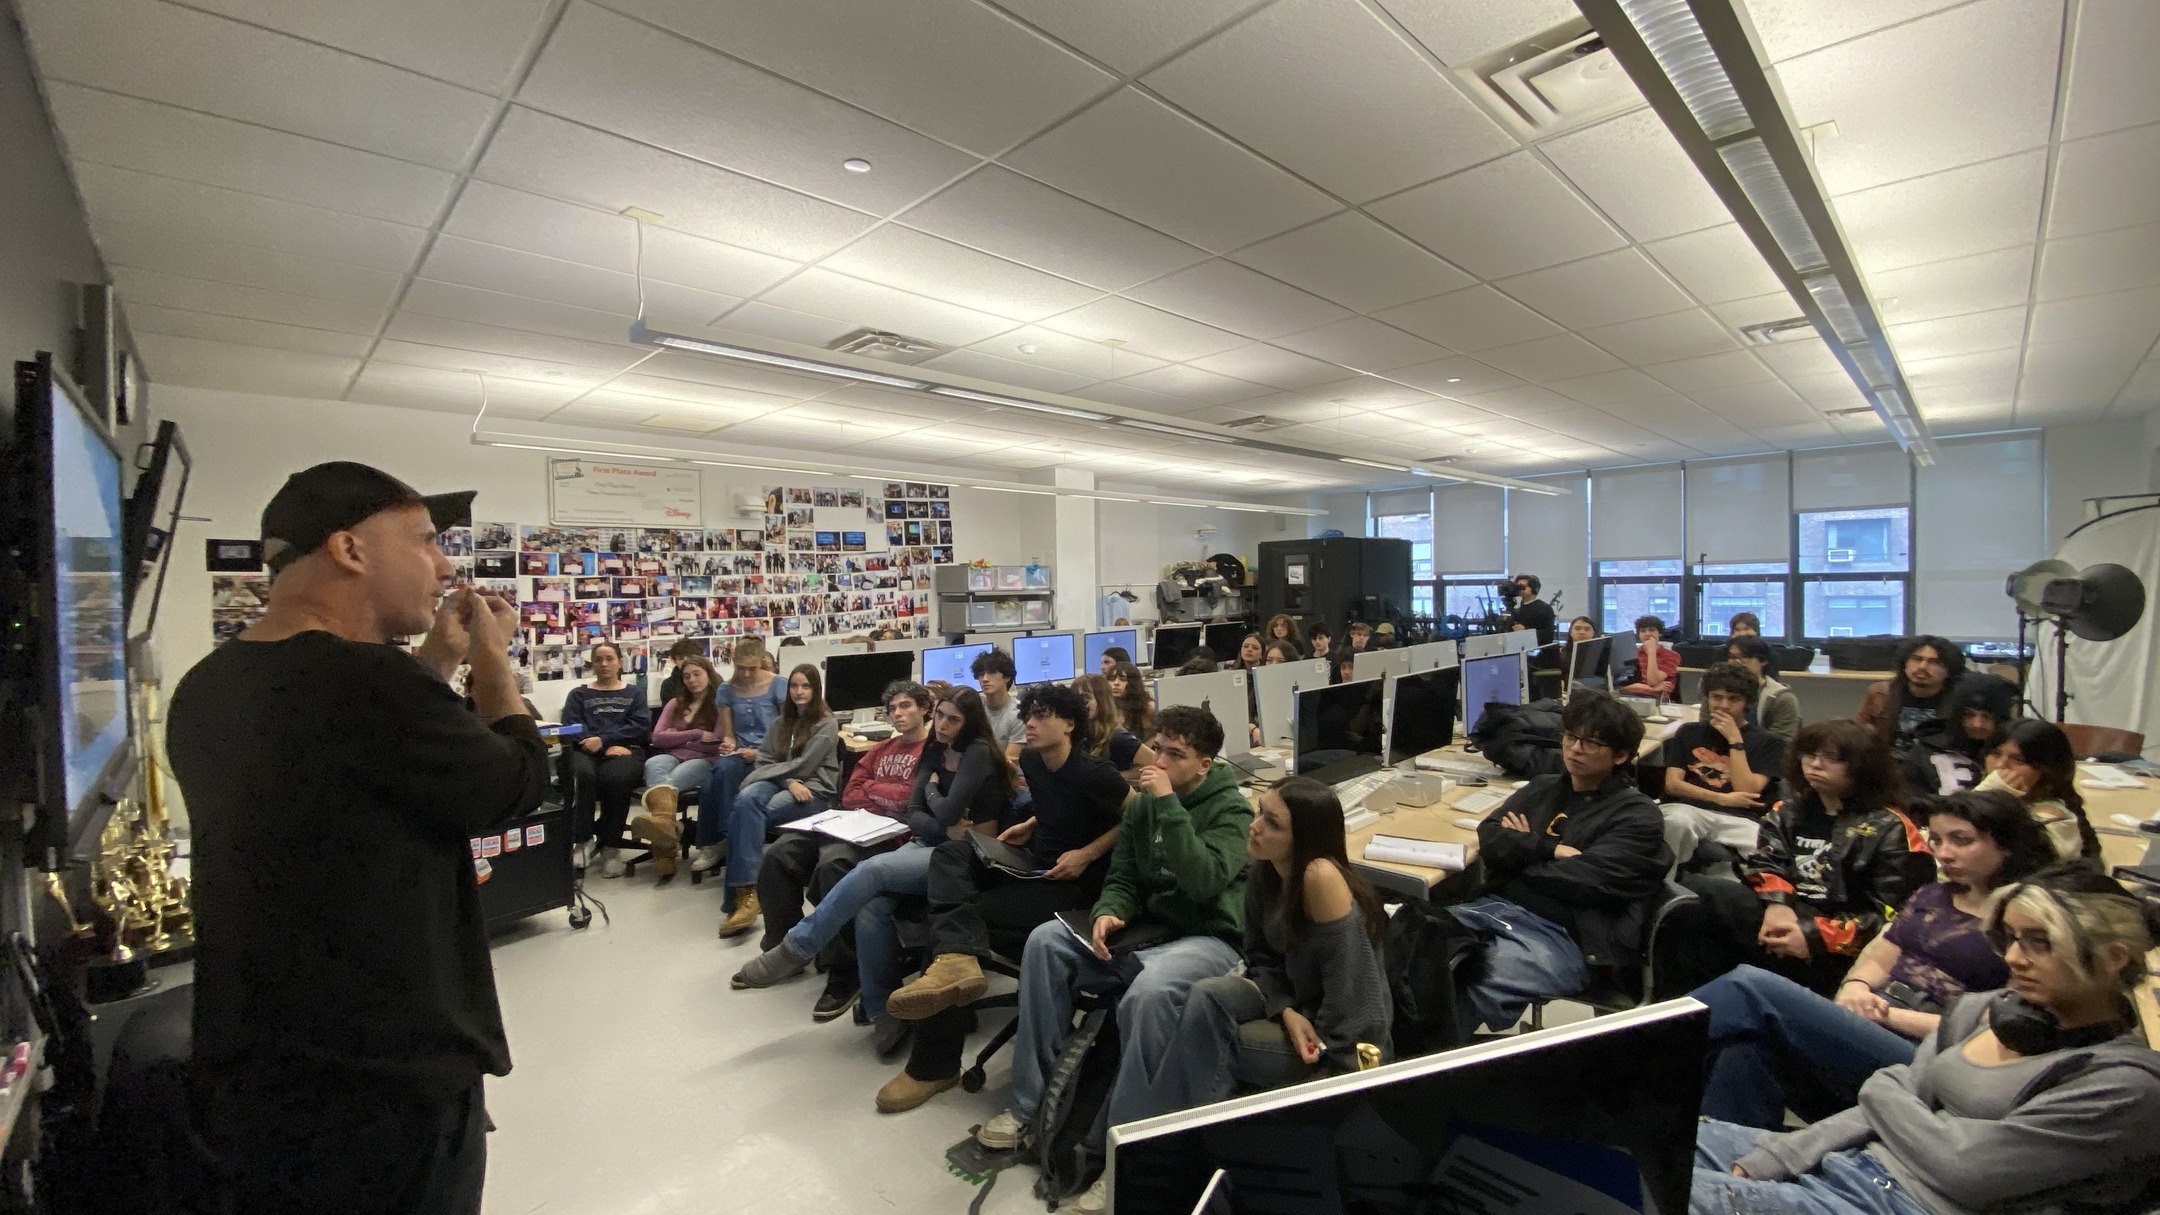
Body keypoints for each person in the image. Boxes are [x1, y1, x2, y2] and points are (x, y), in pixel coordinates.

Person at [167, 462, 550, 1214]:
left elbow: (365, 765)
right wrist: (492, 665)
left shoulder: (210, 683)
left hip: (266, 1075)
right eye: (425, 541)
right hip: (387, 1085)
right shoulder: (370, 682)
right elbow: (516, 782)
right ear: (349, 548)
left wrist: (437, 662)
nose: (444, 567)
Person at [1689, 873, 2160, 1215]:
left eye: (2040, 942)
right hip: (1849, 1158)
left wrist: (1886, 1092)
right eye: (2012, 939)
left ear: (2113, 958)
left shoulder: (2123, 1085)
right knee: (1646, 1131)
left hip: (1897, 1202)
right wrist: (1781, 1157)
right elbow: (1891, 1101)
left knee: (1644, 1186)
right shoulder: (1987, 1009)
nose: (2015, 958)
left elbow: (1964, 1169)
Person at [972, 706, 1254, 1215]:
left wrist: (1167, 805)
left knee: (1148, 993)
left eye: (1175, 755)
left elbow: (1204, 881)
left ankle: (1121, 1153)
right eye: (1157, 749)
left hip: (1209, 936)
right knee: (1045, 943)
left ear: (1205, 764)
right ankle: (1029, 1107)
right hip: (1150, 929)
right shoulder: (1145, 804)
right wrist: (1108, 911)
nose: (1159, 762)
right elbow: (1123, 875)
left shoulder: (1230, 811)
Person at [1690, 790, 2056, 1128]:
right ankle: (1717, 1160)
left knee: (1750, 987)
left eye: (1961, 840)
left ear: (2007, 845)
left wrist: (1884, 1014)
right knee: (1744, 1050)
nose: (1944, 853)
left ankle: (1658, 1046)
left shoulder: (2025, 921)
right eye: (1937, 840)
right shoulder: (1933, 894)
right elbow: (1880, 959)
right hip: (1872, 1022)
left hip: (1929, 1054)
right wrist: (1855, 986)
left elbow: (1999, 1026)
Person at [878, 683, 1134, 1114]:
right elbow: (1055, 803)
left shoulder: (1095, 772)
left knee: (958, 924)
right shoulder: (1032, 760)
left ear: (1069, 725)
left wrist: (1088, 853)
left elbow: (1139, 817)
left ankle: (933, 1065)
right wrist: (1032, 823)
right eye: (1028, 715)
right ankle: (956, 964)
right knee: (951, 856)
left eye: (1042, 716)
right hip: (1035, 861)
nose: (1029, 724)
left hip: (1074, 885)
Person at [729, 688, 1015, 1041]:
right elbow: (917, 815)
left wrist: (932, 797)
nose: (942, 724)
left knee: (872, 870)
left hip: (965, 855)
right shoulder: (936, 749)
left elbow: (945, 812)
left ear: (969, 723)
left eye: (952, 719)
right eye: (940, 715)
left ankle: (797, 947)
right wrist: (938, 815)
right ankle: (883, 1011)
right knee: (870, 906)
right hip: (929, 843)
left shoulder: (978, 752)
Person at [1154, 778, 1391, 1117]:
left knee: (1196, 1040)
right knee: (1206, 996)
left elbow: (1358, 1005)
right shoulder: (1266, 869)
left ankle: (1186, 1132)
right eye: (1260, 812)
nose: (1255, 826)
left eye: (1273, 823)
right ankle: (1170, 1128)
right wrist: (1286, 1010)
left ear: (1303, 839)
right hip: (1299, 1008)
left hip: (1342, 1046)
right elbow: (1260, 957)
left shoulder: (1320, 878)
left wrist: (1338, 1083)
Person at [1447, 690, 1669, 1031]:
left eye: (1591, 743)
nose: (1575, 749)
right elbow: (1489, 837)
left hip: (1565, 937)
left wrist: (1518, 854)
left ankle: (1427, 1059)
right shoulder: (1543, 787)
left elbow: (1584, 882)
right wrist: (1549, 850)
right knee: (1416, 954)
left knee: (1468, 981)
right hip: (1493, 909)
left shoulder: (1637, 815)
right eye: (1570, 737)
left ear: (1621, 755)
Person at [1662, 719, 1931, 997]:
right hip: (1780, 919)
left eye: (1831, 758)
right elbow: (1766, 863)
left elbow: (1896, 916)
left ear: (1862, 767)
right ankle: (1684, 1004)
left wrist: (1814, 936)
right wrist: (1778, 906)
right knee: (1691, 897)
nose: (1815, 764)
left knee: (1712, 894)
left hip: (1842, 944)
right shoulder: (1787, 812)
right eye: (1809, 754)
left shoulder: (1893, 828)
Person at [751, 679, 932, 1021]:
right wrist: (885, 793)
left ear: (924, 709)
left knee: (833, 865)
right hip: (852, 822)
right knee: (779, 854)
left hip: (891, 836)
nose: (897, 714)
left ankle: (844, 971)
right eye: (892, 708)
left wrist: (875, 790)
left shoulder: (931, 751)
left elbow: (911, 800)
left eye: (905, 706)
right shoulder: (880, 749)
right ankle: (782, 949)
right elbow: (850, 794)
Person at [718, 664, 842, 938]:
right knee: (745, 801)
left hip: (813, 790)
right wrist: (788, 781)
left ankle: (741, 898)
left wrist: (790, 778)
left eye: (806, 686)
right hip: (784, 782)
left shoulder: (826, 723)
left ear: (816, 689)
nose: (799, 692)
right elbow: (763, 759)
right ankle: (747, 893)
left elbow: (806, 765)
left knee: (746, 814)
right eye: (794, 686)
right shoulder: (780, 722)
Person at [1660, 662, 1784, 867]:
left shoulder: (1769, 742)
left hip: (1740, 819)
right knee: (1676, 822)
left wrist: (1735, 740)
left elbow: (1747, 790)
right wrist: (1723, 799)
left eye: (1733, 699)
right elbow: (1673, 785)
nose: (1724, 705)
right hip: (1688, 810)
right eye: (1716, 697)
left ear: (1747, 702)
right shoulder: (1688, 732)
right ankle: (1667, 884)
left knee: (1766, 850)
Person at [689, 637, 787, 874]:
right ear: (733, 662)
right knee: (719, 773)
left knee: (717, 778)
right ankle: (726, 839)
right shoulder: (726, 689)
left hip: (772, 753)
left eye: (751, 669)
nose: (745, 674)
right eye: (740, 668)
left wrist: (760, 752)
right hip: (740, 751)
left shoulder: (778, 684)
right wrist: (728, 745)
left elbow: (787, 733)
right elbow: (729, 734)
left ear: (762, 661)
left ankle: (721, 840)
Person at [559, 642, 653, 878]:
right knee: (580, 774)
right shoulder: (578, 694)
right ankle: (583, 840)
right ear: (592, 664)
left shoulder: (634, 693)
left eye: (609, 658)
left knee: (615, 778)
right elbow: (571, 726)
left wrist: (605, 740)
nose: (604, 664)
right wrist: (600, 746)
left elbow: (640, 727)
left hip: (625, 750)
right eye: (598, 659)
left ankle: (610, 845)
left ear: (620, 662)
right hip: (585, 750)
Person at [628, 655, 722, 881]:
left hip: (704, 761)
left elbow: (715, 743)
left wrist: (677, 736)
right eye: (687, 676)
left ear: (709, 674)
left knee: (668, 785)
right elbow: (657, 738)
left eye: (697, 674)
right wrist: (696, 734)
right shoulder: (675, 703)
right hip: (672, 755)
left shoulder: (720, 704)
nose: (692, 680)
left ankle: (664, 854)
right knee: (653, 763)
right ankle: (667, 828)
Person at [1978, 718, 2102, 862]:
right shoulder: (2009, 802)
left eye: (2018, 760)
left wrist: (1987, 796)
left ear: (2046, 770)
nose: (2000, 765)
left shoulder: (2052, 820)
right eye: (1995, 754)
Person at [1900, 673, 2016, 798]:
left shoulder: (2017, 754)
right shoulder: (1924, 754)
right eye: (1969, 715)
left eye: (1987, 717)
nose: (1977, 724)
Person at [1857, 635, 1967, 758]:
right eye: (1916, 659)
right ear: (1904, 664)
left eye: (1934, 662)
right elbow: (1859, 734)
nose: (1922, 666)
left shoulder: (1961, 699)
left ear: (1949, 670)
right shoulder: (1881, 693)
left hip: (1939, 764)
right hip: (1890, 764)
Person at [1723, 635, 1801, 745]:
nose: (1736, 662)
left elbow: (1781, 744)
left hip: (1763, 752)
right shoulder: (1717, 693)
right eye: (1732, 657)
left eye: (1744, 657)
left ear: (1763, 661)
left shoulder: (1782, 699)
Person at [1076, 673, 1155, 775]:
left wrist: (1116, 777)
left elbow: (1157, 766)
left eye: (1086, 698)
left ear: (1102, 700)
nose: (1081, 704)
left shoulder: (1118, 738)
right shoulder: (1083, 738)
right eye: (1077, 699)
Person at [973, 648, 1026, 760]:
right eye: (981, 674)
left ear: (1006, 677)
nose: (985, 679)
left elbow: (1009, 761)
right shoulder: (976, 709)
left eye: (992, 673)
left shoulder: (1019, 713)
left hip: (1004, 769)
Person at [1618, 614, 1679, 700]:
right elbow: (1619, 687)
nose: (1647, 634)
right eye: (1643, 631)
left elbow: (1653, 681)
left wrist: (1651, 652)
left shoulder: (1672, 656)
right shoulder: (1631, 654)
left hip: (1655, 699)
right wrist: (1649, 688)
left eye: (1652, 630)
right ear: (1638, 635)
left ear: (1659, 633)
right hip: (1628, 697)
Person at [1107, 660, 1155, 739]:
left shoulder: (1147, 707)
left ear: (1133, 683)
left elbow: (1153, 738)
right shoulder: (1107, 706)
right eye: (1112, 679)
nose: (1116, 683)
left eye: (1122, 679)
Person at [1507, 572, 1555, 646]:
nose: (1520, 590)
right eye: (1518, 587)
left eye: (1523, 587)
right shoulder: (1518, 609)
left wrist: (1526, 631)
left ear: (1534, 588)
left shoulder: (1544, 608)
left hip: (1537, 648)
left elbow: (1548, 634)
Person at [656, 636, 704, 709]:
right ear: (674, 660)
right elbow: (670, 712)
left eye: (691, 657)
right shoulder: (668, 685)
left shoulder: (713, 679)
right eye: (681, 658)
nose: (686, 661)